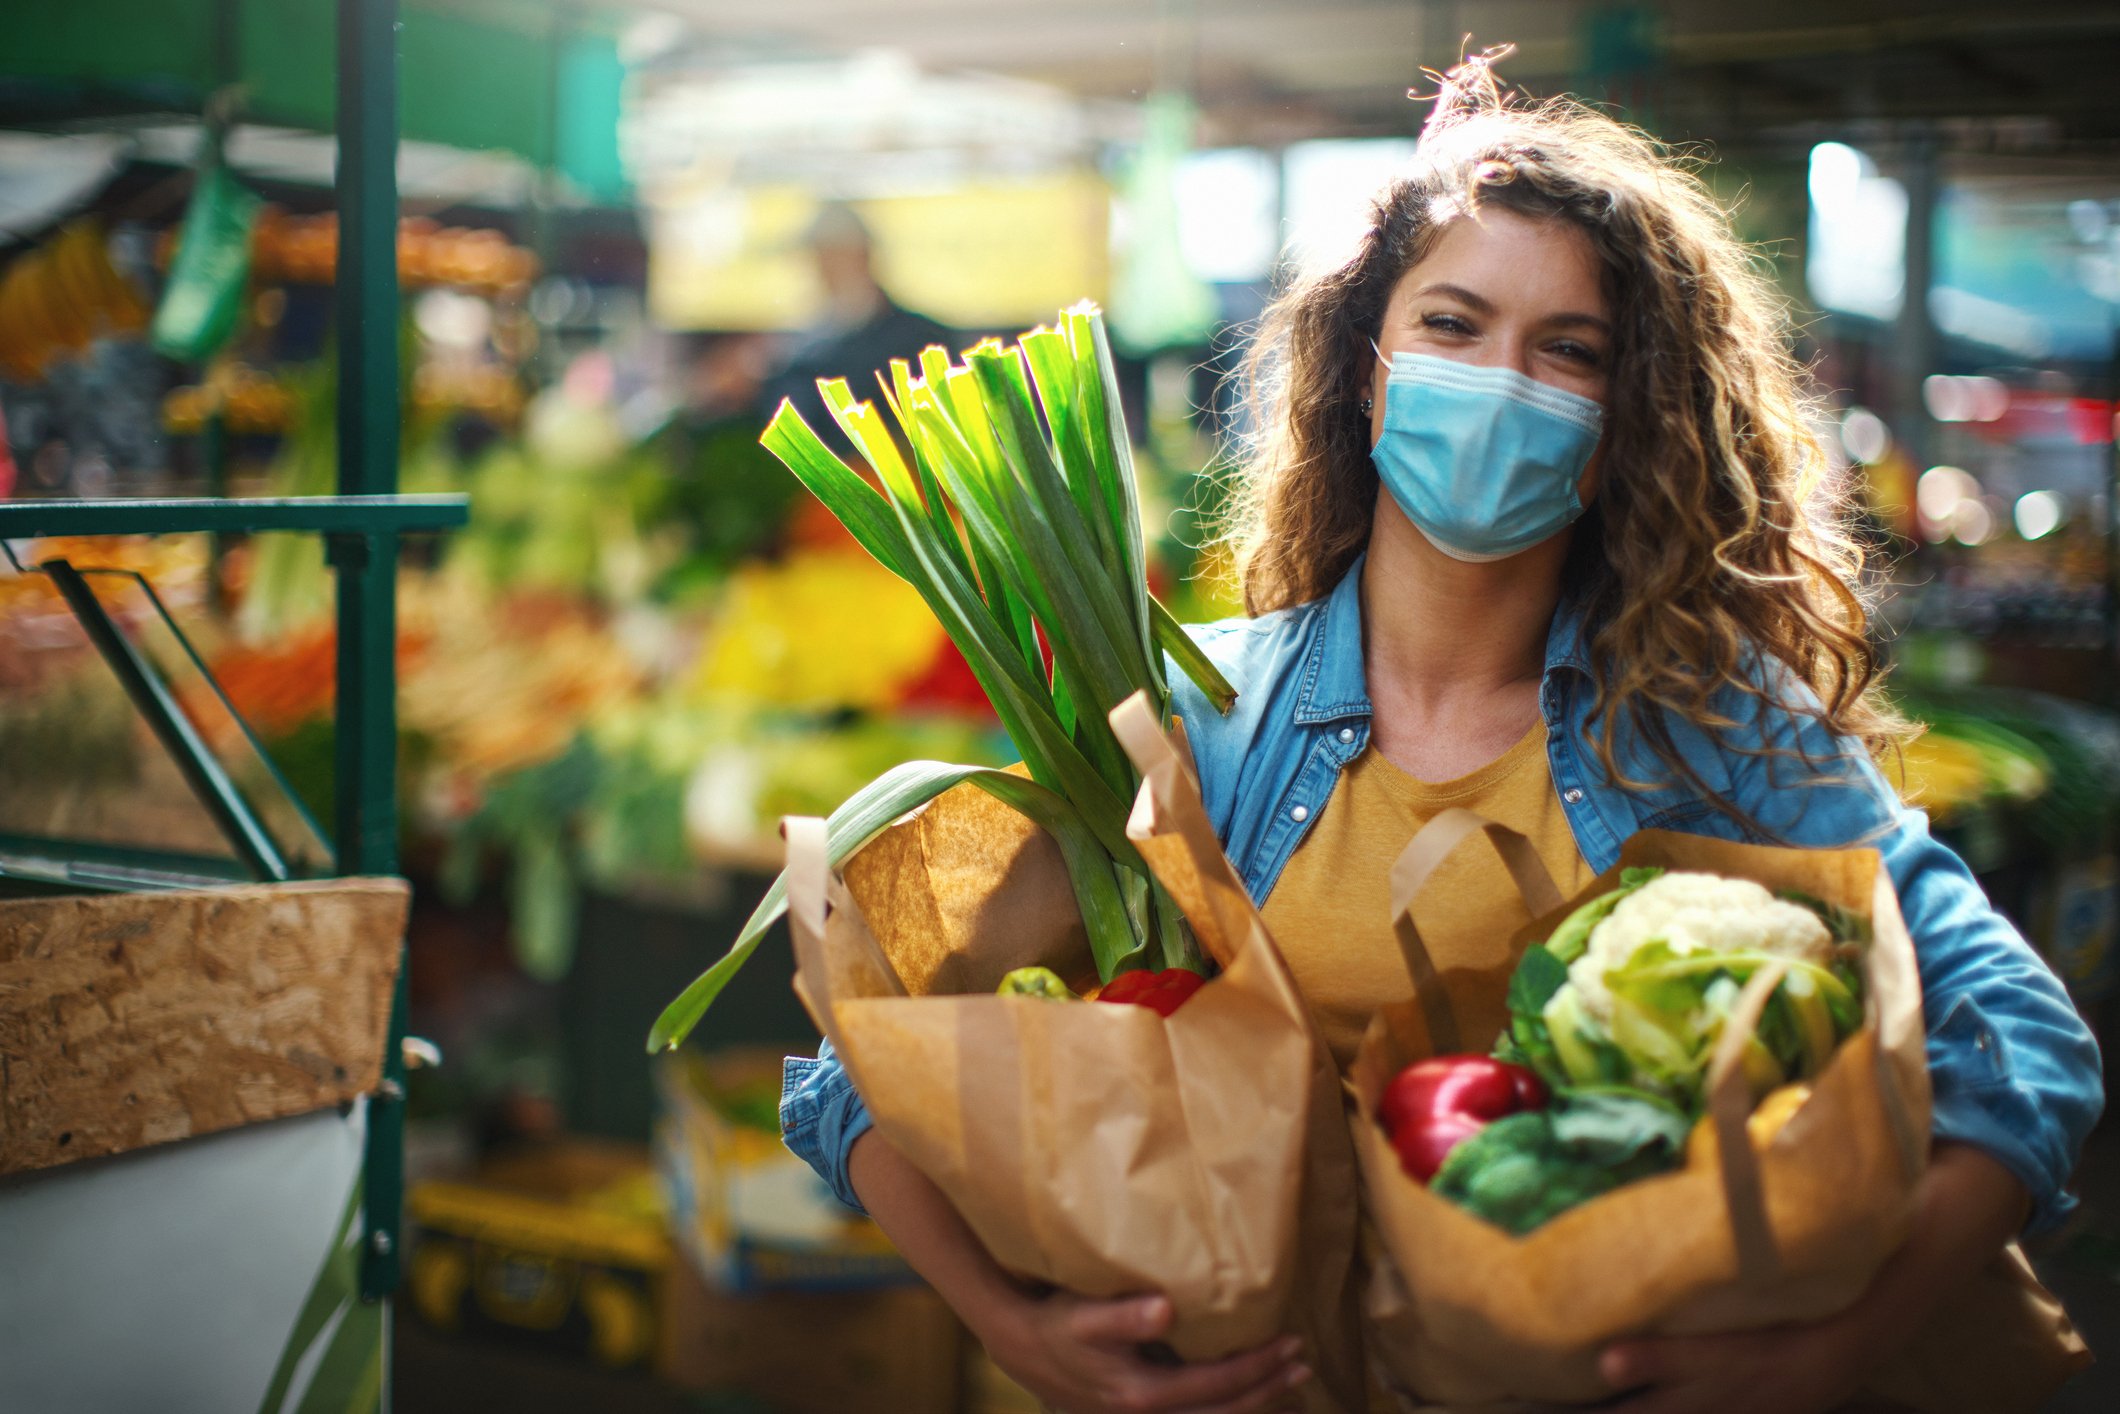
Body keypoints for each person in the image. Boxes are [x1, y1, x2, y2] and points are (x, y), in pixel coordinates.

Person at [778, 56, 2103, 1414]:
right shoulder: (1192, 724)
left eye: (1567, 351)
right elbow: (853, 1071)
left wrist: (1844, 1344)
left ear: (1614, 427)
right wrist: (1015, 1324)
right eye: (1455, 326)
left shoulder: (1715, 731)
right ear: (1366, 372)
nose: (1499, 382)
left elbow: (2021, 1037)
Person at [760, 201, 955, 440]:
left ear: (861, 255)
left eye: (829, 255)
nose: (822, 270)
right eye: (818, 258)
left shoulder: (922, 339)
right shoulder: (805, 339)